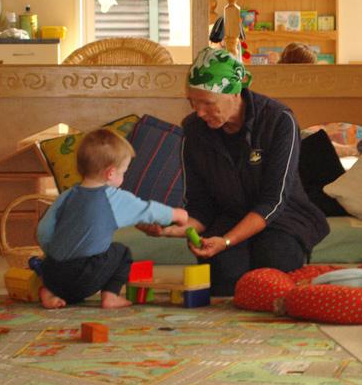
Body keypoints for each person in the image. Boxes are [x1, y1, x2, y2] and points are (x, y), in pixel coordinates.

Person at [138, 47, 329, 296]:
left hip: (282, 218)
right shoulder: (195, 130)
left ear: (234, 93)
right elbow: (201, 204)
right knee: (223, 274)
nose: (199, 112)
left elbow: (274, 201)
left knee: (273, 264)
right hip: (228, 215)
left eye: (207, 103)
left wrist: (227, 240)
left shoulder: (279, 121)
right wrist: (172, 229)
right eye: (192, 102)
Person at [37, 128, 188, 309]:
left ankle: (50, 292)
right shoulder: (112, 197)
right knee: (121, 252)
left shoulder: (67, 195)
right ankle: (110, 296)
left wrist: (53, 253)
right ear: (110, 173)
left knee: (57, 272)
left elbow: (43, 230)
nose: (124, 177)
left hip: (52, 272)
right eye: (123, 172)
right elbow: (147, 210)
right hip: (85, 278)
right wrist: (176, 214)